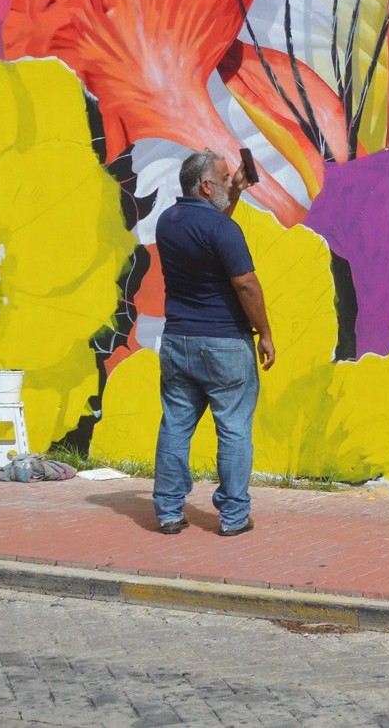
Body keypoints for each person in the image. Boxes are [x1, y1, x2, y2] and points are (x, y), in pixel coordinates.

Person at [152, 149, 275, 537]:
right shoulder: (224, 230)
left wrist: (235, 192)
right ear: (205, 186)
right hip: (223, 343)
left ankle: (169, 512)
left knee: (175, 426)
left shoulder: (167, 222)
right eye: (223, 179)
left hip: (177, 341)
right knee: (234, 430)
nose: (229, 182)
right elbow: (245, 284)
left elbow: (208, 231)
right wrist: (266, 334)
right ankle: (234, 517)